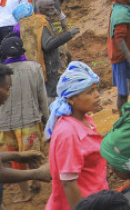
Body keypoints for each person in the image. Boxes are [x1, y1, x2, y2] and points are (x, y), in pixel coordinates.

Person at [45, 62, 107, 210]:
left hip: (96, 199)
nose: (97, 95)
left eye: (96, 89)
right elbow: (68, 183)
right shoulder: (68, 133)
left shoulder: (86, 120)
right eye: (89, 92)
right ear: (71, 99)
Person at [0, 35, 47, 202]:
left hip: (5, 124)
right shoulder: (34, 68)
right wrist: (47, 119)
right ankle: (37, 180)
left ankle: (25, 192)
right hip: (30, 120)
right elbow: (42, 96)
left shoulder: (2, 72)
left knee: (14, 158)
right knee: (33, 155)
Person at [106, 0, 130, 114]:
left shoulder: (123, 8)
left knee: (124, 90)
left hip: (123, 56)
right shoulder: (121, 14)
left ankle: (123, 116)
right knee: (123, 92)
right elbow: (119, 40)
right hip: (121, 58)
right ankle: (122, 118)